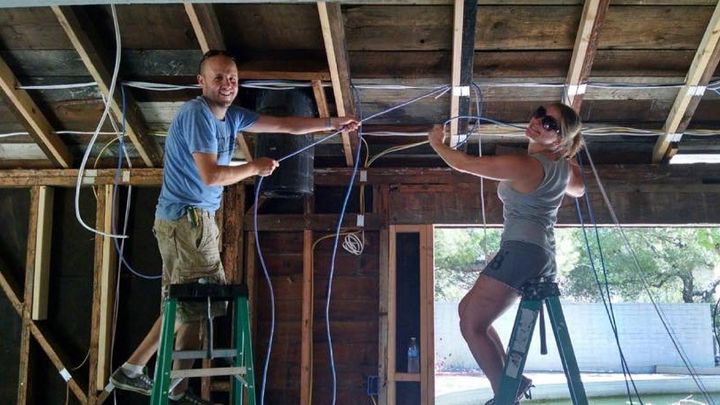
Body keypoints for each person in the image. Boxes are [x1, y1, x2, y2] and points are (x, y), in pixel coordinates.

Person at [109, 50, 359, 405]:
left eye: (232, 79)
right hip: (187, 220)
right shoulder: (197, 115)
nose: (227, 84)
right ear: (201, 82)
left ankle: (155, 380)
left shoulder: (232, 116)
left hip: (195, 221)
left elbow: (285, 125)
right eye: (219, 78)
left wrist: (333, 123)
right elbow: (211, 176)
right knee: (197, 302)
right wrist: (253, 167)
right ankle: (150, 377)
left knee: (192, 304)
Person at [428, 104, 584, 405]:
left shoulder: (526, 164)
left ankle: (504, 394)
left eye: (550, 124)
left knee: (471, 325)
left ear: (560, 139)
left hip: (522, 250)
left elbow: (464, 164)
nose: (538, 121)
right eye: (540, 113)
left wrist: (437, 143)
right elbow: (579, 189)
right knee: (467, 311)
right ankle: (513, 383)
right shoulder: (564, 170)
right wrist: (566, 153)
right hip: (537, 252)